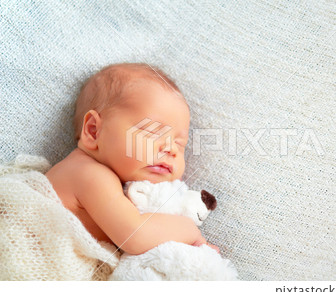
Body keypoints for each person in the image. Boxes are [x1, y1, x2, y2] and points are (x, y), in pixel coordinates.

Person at [45, 63, 218, 255]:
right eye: (153, 132)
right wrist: (190, 230)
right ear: (94, 131)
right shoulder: (86, 173)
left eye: (180, 143)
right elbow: (135, 236)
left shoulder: (120, 189)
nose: (170, 149)